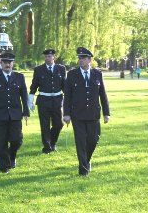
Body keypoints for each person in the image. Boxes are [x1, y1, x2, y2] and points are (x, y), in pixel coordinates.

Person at [63, 47, 110, 176]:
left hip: (94, 114)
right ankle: (83, 169)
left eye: (83, 58)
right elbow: (67, 96)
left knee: (93, 140)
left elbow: (103, 94)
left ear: (90, 60)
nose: (80, 60)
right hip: (77, 114)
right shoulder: (72, 74)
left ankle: (86, 160)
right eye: (79, 58)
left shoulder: (97, 74)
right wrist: (66, 113)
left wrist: (106, 113)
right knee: (80, 141)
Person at [0, 52, 29, 173]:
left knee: (17, 140)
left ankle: (12, 156)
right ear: (1, 63)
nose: (7, 64)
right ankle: (4, 166)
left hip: (15, 115)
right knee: (0, 142)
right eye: (5, 62)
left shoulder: (19, 77)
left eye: (9, 62)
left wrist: (26, 112)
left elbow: (24, 96)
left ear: (13, 63)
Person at [29, 49, 66, 154]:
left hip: (57, 100)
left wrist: (68, 100)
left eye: (49, 56)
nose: (47, 58)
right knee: (44, 125)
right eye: (45, 56)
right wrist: (30, 100)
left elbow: (64, 85)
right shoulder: (39, 70)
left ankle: (52, 142)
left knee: (59, 124)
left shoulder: (61, 69)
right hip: (43, 101)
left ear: (54, 57)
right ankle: (47, 147)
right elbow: (34, 86)